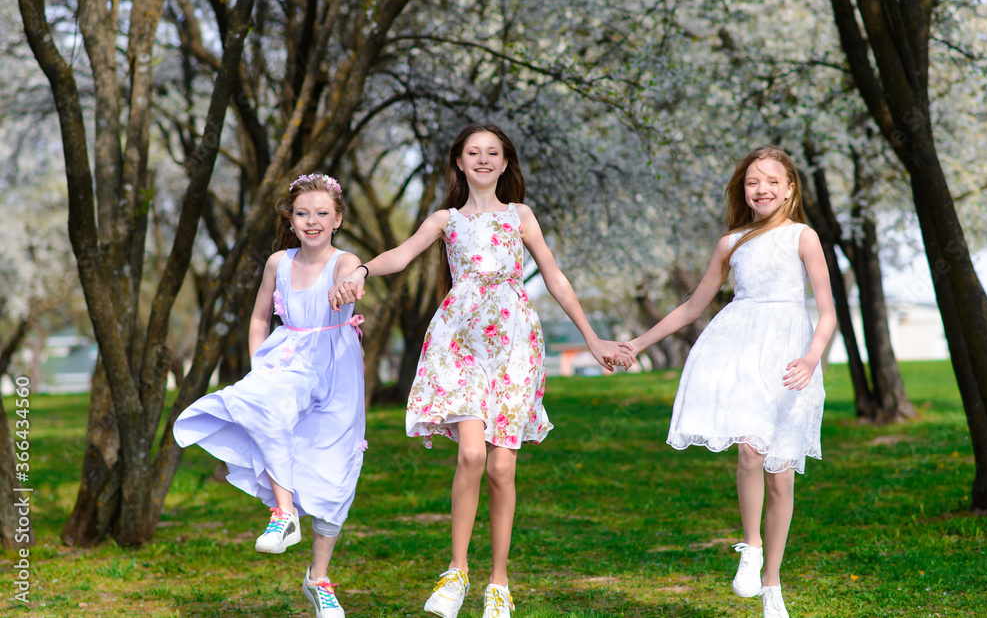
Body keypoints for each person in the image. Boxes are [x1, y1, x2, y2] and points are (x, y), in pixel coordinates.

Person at [329, 123, 633, 618]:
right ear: (459, 162)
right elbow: (401, 255)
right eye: (474, 152)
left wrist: (592, 339)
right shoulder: (446, 219)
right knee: (471, 455)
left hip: (515, 344)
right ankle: (456, 572)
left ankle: (499, 582)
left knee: (502, 467)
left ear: (506, 162)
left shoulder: (520, 216)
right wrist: (360, 269)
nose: (484, 159)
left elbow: (554, 277)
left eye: (493, 152)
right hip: (459, 342)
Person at [619, 146, 835, 618]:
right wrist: (636, 344)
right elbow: (692, 306)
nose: (762, 189)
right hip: (740, 349)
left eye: (772, 181)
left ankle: (772, 585)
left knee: (781, 476)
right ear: (743, 190)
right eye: (753, 182)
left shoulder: (804, 237)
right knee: (750, 448)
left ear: (790, 188)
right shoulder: (731, 242)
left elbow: (827, 311)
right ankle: (751, 545)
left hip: (791, 359)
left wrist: (811, 358)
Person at [174, 173, 366, 618]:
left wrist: (352, 283)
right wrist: (261, 362)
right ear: (291, 219)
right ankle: (284, 514)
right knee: (268, 408)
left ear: (337, 219)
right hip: (289, 358)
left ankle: (319, 579)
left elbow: (351, 274)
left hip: (335, 367)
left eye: (322, 213)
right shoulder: (278, 263)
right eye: (303, 214)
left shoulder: (345, 260)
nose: (312, 221)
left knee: (336, 475)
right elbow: (260, 318)